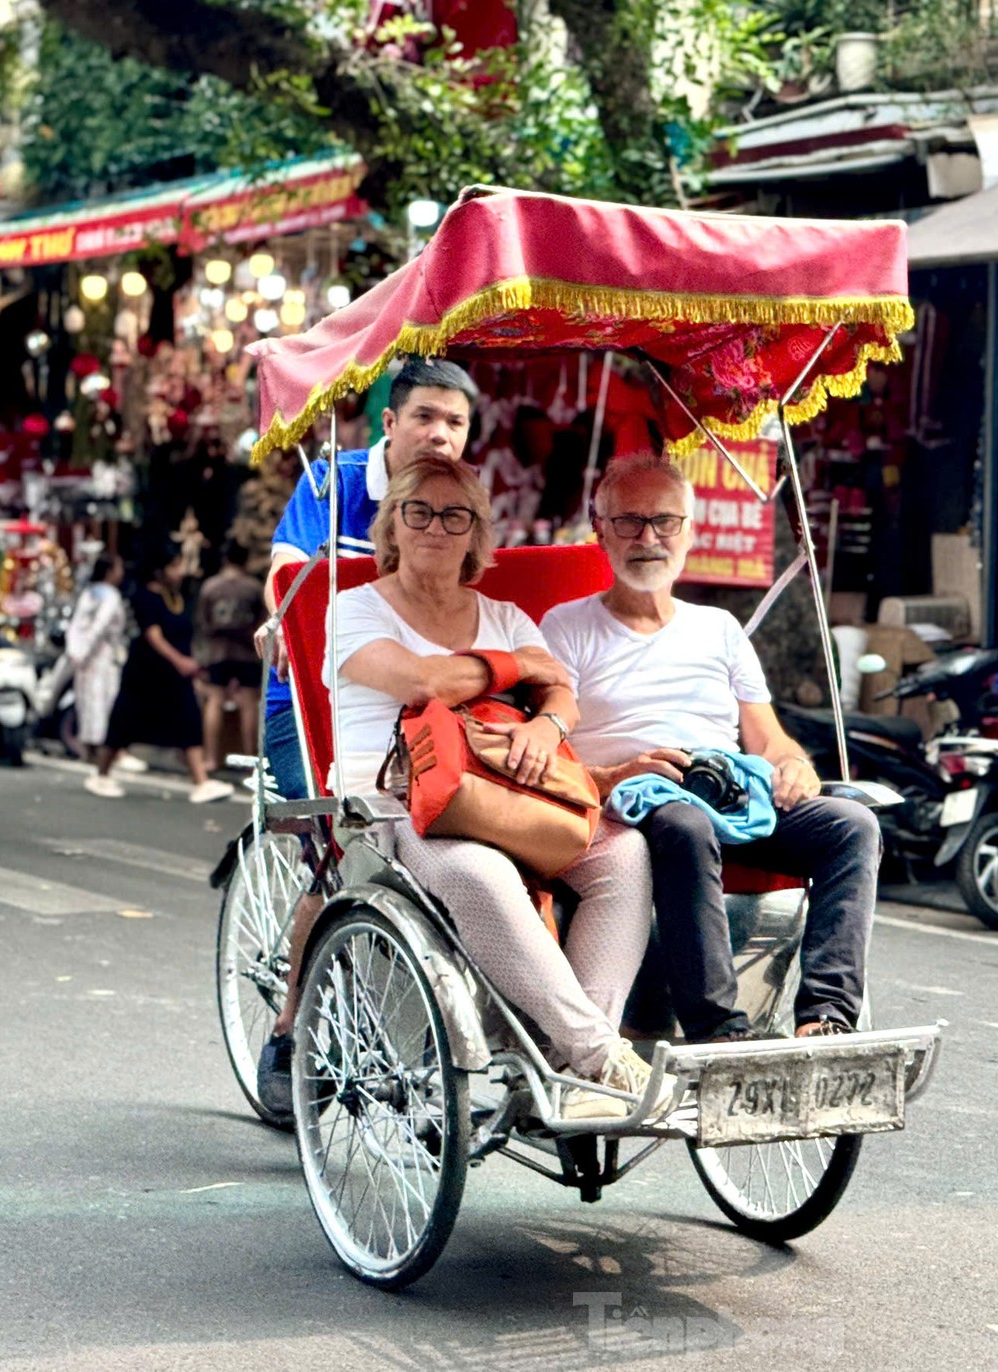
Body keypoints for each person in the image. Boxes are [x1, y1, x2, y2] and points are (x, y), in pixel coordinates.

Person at [255, 453, 666, 1123]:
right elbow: (423, 683)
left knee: (624, 855)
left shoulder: (500, 613)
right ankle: (600, 1056)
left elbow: (561, 688)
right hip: (394, 807)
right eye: (418, 512)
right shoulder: (352, 609)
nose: (435, 529)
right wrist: (513, 667)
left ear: (477, 533)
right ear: (394, 525)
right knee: (479, 871)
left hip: (504, 793)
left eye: (455, 516)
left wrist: (547, 726)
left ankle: (563, 1070)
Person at [541, 456, 878, 1044]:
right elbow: (552, 744)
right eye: (629, 522)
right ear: (600, 530)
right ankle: (717, 1030)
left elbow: (767, 737)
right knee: (686, 825)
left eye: (665, 522)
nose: (648, 538)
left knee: (853, 825)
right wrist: (621, 771)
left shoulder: (719, 627)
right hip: (630, 802)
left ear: (690, 531)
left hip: (730, 790)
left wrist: (794, 763)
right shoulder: (566, 627)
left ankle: (825, 1016)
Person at [256, 356, 477, 803]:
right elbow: (286, 572)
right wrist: (283, 619)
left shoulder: (464, 503)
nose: (441, 433)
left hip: (418, 697)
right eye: (425, 416)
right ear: (390, 422)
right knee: (332, 815)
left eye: (456, 422)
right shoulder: (335, 481)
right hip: (313, 700)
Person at [94, 550, 234, 804]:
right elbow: (153, 636)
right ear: (159, 570)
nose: (179, 572)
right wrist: (180, 661)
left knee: (188, 718)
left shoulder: (177, 597)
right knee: (124, 721)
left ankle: (201, 781)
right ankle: (101, 773)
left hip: (173, 675)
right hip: (145, 671)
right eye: (175, 566)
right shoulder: (144, 597)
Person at [197, 540, 263, 766]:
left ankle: (211, 758)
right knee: (249, 703)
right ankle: (251, 762)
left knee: (214, 700)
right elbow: (261, 621)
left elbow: (203, 623)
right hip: (246, 652)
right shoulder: (253, 587)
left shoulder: (210, 587)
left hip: (217, 652)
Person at [68, 554, 128, 795]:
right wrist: (85, 651)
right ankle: (102, 752)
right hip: (101, 654)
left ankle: (93, 751)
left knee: (89, 700)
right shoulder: (111, 596)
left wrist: (76, 652)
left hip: (83, 655)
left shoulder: (88, 593)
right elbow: (99, 625)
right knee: (104, 702)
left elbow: (76, 626)